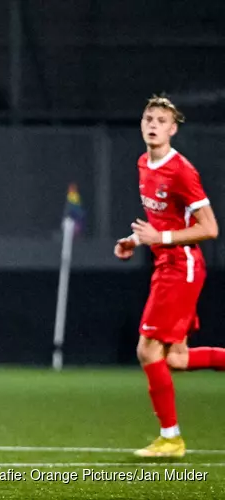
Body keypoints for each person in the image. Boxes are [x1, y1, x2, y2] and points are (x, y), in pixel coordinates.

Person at [114, 95, 223, 458]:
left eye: (161, 120)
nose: (153, 124)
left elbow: (210, 229)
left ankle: (171, 438)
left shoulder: (182, 171)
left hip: (182, 267)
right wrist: (134, 240)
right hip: (167, 265)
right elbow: (161, 221)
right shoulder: (144, 162)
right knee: (175, 358)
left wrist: (158, 239)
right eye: (148, 118)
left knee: (147, 349)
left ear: (173, 129)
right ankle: (170, 437)